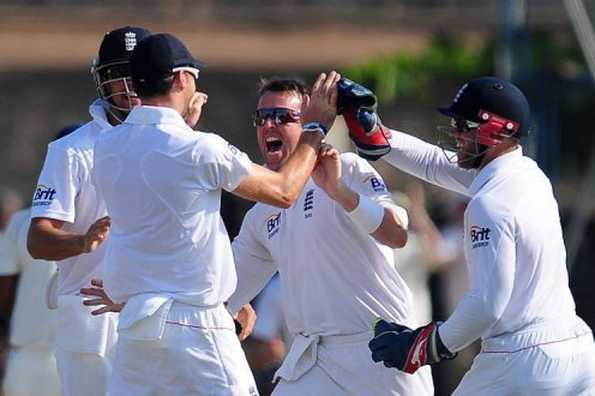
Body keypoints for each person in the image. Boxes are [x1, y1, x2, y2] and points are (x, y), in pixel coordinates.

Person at [90, 33, 340, 395]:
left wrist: (184, 126)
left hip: (134, 327)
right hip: (196, 327)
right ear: (181, 78)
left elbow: (162, 172)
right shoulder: (201, 149)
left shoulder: (106, 146)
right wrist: (314, 127)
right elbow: (283, 191)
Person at [360, 76, 595, 394]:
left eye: (463, 124)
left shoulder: (488, 205)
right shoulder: (529, 175)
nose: (455, 131)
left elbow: (487, 304)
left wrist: (422, 346)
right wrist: (378, 134)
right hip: (575, 350)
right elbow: (435, 165)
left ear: (497, 130)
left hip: (519, 359)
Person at [225, 78, 434, 395]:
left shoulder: (347, 168)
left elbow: (397, 234)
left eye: (283, 116)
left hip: (379, 351)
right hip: (312, 359)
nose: (269, 124)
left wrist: (339, 192)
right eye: (262, 117)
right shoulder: (261, 214)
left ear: (308, 123)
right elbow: (224, 288)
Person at [26, 26, 152, 396]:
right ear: (104, 80)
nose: (130, 87)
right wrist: (82, 241)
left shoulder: (180, 143)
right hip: (94, 318)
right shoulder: (71, 150)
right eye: (119, 76)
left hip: (158, 312)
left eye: (138, 75)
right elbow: (38, 239)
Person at [0, 124, 79, 396]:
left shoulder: (21, 221)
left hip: (49, 350)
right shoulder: (22, 221)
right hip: (40, 352)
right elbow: (6, 285)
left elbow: (6, 288)